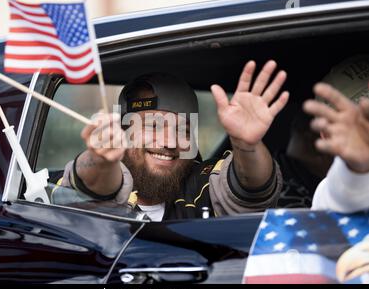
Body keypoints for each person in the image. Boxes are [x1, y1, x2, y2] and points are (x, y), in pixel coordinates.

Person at [60, 60, 289, 221]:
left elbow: (254, 188)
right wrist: (102, 160)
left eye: (184, 129)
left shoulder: (206, 183)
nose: (170, 141)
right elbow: (92, 188)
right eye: (152, 125)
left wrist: (246, 145)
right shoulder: (99, 177)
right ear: (122, 130)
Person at [303, 54, 369, 213]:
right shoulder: (330, 192)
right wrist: (357, 170)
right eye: (359, 120)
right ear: (327, 135)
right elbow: (341, 198)